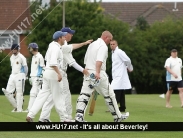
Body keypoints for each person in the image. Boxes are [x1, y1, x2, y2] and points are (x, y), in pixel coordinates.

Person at [38, 27, 92, 122]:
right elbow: (72, 61)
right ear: (65, 35)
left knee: (51, 96)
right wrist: (83, 70)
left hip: (51, 72)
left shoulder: (57, 45)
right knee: (65, 94)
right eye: (71, 33)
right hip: (59, 73)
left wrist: (83, 44)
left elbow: (71, 47)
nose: (72, 35)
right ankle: (66, 118)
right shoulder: (62, 46)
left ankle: (44, 117)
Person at [75, 31, 129, 122]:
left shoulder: (92, 45)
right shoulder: (103, 46)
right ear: (106, 37)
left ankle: (79, 116)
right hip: (98, 72)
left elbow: (86, 59)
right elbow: (99, 61)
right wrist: (97, 73)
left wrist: (87, 71)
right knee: (109, 95)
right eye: (110, 40)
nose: (110, 42)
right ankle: (117, 117)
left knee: (84, 93)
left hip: (88, 71)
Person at [26, 31, 70, 122]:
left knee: (41, 96)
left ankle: (30, 115)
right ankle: (64, 118)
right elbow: (53, 63)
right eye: (63, 37)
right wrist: (58, 73)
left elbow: (47, 59)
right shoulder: (56, 48)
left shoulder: (51, 45)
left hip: (47, 73)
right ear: (59, 38)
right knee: (59, 97)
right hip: (53, 73)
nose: (65, 38)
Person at [2, 44, 28, 112]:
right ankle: (16, 106)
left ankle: (19, 109)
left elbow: (25, 67)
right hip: (12, 75)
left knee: (19, 93)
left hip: (20, 75)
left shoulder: (22, 57)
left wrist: (25, 76)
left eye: (15, 49)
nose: (14, 50)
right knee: (7, 92)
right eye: (13, 49)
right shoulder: (11, 57)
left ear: (18, 49)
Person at [110, 40, 133, 112]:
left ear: (116, 45)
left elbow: (128, 60)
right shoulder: (113, 53)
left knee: (114, 89)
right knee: (121, 90)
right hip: (116, 74)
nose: (112, 45)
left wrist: (130, 68)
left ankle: (115, 107)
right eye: (111, 44)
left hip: (120, 75)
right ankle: (122, 107)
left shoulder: (119, 52)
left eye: (113, 44)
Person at [24, 43, 45, 112]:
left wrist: (40, 77)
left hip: (37, 77)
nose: (29, 50)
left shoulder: (40, 56)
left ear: (32, 48)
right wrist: (31, 76)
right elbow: (33, 68)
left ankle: (30, 109)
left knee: (33, 93)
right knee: (39, 93)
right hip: (33, 77)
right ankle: (42, 107)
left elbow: (43, 67)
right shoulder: (33, 57)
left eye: (30, 48)